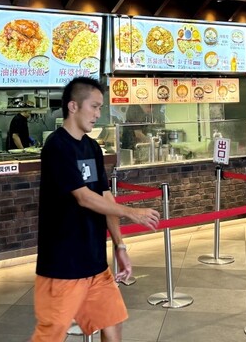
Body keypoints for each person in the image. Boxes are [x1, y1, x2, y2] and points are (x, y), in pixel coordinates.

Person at [31, 77, 160, 342]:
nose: (98, 114)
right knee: (51, 335)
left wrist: (120, 245)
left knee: (113, 323)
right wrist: (132, 212)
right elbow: (83, 197)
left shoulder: (92, 147)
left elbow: (105, 197)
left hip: (95, 261)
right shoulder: (57, 146)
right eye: (94, 106)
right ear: (73, 106)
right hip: (63, 264)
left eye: (100, 108)